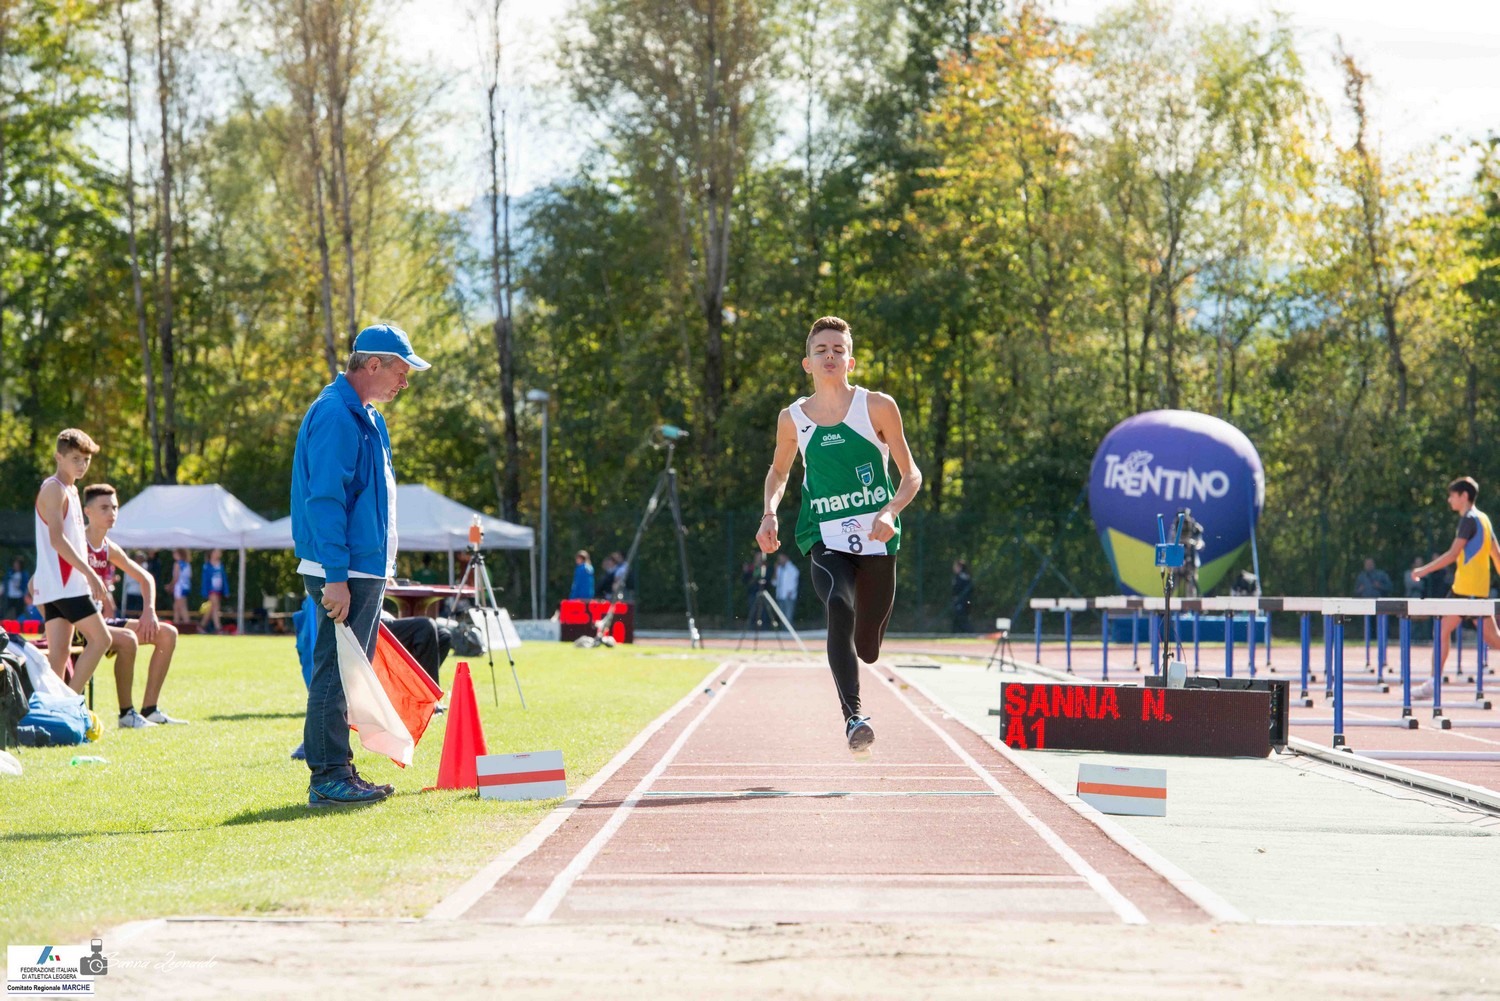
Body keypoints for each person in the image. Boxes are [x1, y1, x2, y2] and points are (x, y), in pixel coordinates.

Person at [757, 315, 922, 752]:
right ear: (807, 363)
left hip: (878, 538)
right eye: (821, 350)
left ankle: (866, 647)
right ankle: (854, 717)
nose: (829, 356)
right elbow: (778, 472)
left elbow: (911, 475)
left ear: (850, 361)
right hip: (823, 535)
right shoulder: (793, 418)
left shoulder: (877, 407)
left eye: (838, 350)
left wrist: (890, 511)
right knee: (838, 603)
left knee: (867, 647)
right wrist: (769, 514)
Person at [292, 322, 429, 808]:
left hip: (358, 568)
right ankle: (328, 776)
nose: (405, 383)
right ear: (372, 365)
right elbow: (326, 500)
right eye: (401, 371)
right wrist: (336, 576)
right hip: (343, 570)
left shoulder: (366, 414)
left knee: (347, 673)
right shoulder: (336, 413)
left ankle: (338, 769)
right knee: (336, 673)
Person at [82, 484, 187, 727]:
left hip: (100, 622)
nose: (112, 513)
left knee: (167, 634)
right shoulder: (75, 542)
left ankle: (149, 710)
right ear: (87, 511)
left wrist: (149, 611)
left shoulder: (108, 547)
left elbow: (146, 578)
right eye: (104, 508)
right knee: (128, 638)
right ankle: (126, 714)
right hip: (78, 623)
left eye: (115, 507)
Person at [33, 429, 114, 693]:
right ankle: (70, 700)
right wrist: (90, 574)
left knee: (60, 653)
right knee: (101, 640)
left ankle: (52, 708)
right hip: (65, 585)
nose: (82, 465)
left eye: (86, 460)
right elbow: (57, 540)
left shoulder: (71, 490)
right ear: (59, 457)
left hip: (57, 585)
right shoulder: (54, 489)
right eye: (76, 459)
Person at [1411, 477, 1500, 696]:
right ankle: (1434, 681)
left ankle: (1434, 682)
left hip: (1464, 590)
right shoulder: (1484, 519)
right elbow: (1497, 556)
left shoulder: (1468, 520)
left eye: (1452, 495)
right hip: (1478, 590)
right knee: (1494, 640)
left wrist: (1423, 571)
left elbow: (1452, 554)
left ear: (1464, 496)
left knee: (1441, 630)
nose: (1449, 499)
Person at [200, 548, 228, 634]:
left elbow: (224, 579)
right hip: (211, 590)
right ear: (211, 553)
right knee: (215, 607)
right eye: (216, 552)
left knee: (213, 608)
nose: (218, 553)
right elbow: (205, 580)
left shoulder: (220, 565)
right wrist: (205, 591)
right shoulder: (207, 566)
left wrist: (226, 590)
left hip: (219, 590)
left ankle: (201, 626)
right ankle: (218, 628)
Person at [773, 552, 800, 627]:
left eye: (781, 558)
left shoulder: (792, 569)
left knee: (788, 615)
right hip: (780, 595)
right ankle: (783, 630)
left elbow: (794, 582)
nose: (780, 560)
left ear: (786, 558)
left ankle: (788, 631)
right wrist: (775, 570)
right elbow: (774, 583)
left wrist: (790, 591)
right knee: (781, 615)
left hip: (789, 596)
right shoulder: (779, 569)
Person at [169, 548, 192, 626]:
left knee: (181, 607)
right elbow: (190, 576)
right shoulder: (187, 564)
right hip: (186, 586)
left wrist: (170, 586)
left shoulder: (177, 564)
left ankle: (187, 624)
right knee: (176, 606)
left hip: (179, 587)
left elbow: (176, 577)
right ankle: (176, 622)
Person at [951, 560, 973, 633]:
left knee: (962, 618)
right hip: (960, 601)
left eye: (955, 566)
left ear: (959, 567)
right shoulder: (959, 576)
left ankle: (970, 633)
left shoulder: (963, 577)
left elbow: (965, 591)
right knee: (956, 619)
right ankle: (955, 633)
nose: (954, 568)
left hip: (963, 602)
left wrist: (961, 600)